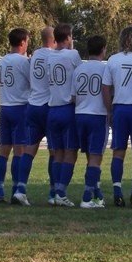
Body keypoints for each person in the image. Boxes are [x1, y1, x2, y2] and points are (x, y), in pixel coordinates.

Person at [103, 25, 132, 207]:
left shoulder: (113, 60)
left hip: (120, 108)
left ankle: (117, 193)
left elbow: (106, 87)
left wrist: (109, 110)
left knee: (118, 152)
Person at [12, 26, 56, 205]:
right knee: (54, 152)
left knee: (29, 150)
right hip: (48, 106)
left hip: (33, 105)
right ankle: (54, 193)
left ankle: (20, 189)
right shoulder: (54, 56)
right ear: (54, 40)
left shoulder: (35, 55)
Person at [46, 22, 82, 207]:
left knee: (57, 154)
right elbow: (79, 72)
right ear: (68, 38)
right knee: (70, 153)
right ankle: (61, 192)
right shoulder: (73, 54)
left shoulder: (49, 57)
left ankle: (54, 192)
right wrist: (71, 47)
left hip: (52, 108)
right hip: (68, 108)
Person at [72, 35, 110, 209]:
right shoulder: (105, 69)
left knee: (90, 158)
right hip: (97, 115)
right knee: (96, 158)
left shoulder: (79, 69)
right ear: (103, 49)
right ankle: (86, 198)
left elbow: (73, 96)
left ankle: (98, 195)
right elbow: (108, 92)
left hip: (80, 115)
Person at [0, 27, 30, 203]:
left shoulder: (2, 61)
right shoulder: (23, 62)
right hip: (20, 108)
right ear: (23, 42)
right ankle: (16, 189)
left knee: (3, 152)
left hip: (4, 107)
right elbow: (33, 82)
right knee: (19, 152)